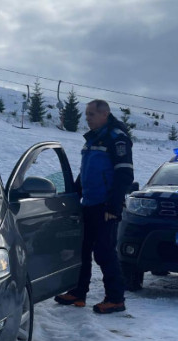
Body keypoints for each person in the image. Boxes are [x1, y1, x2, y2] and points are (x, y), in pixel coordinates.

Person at [54, 99, 134, 314]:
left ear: (104, 114)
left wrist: (113, 206)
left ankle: (115, 299)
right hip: (88, 204)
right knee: (82, 250)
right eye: (86, 114)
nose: (87, 118)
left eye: (91, 114)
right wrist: (73, 196)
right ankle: (78, 292)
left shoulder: (117, 138)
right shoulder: (93, 139)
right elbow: (86, 172)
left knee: (104, 252)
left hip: (105, 207)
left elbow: (124, 174)